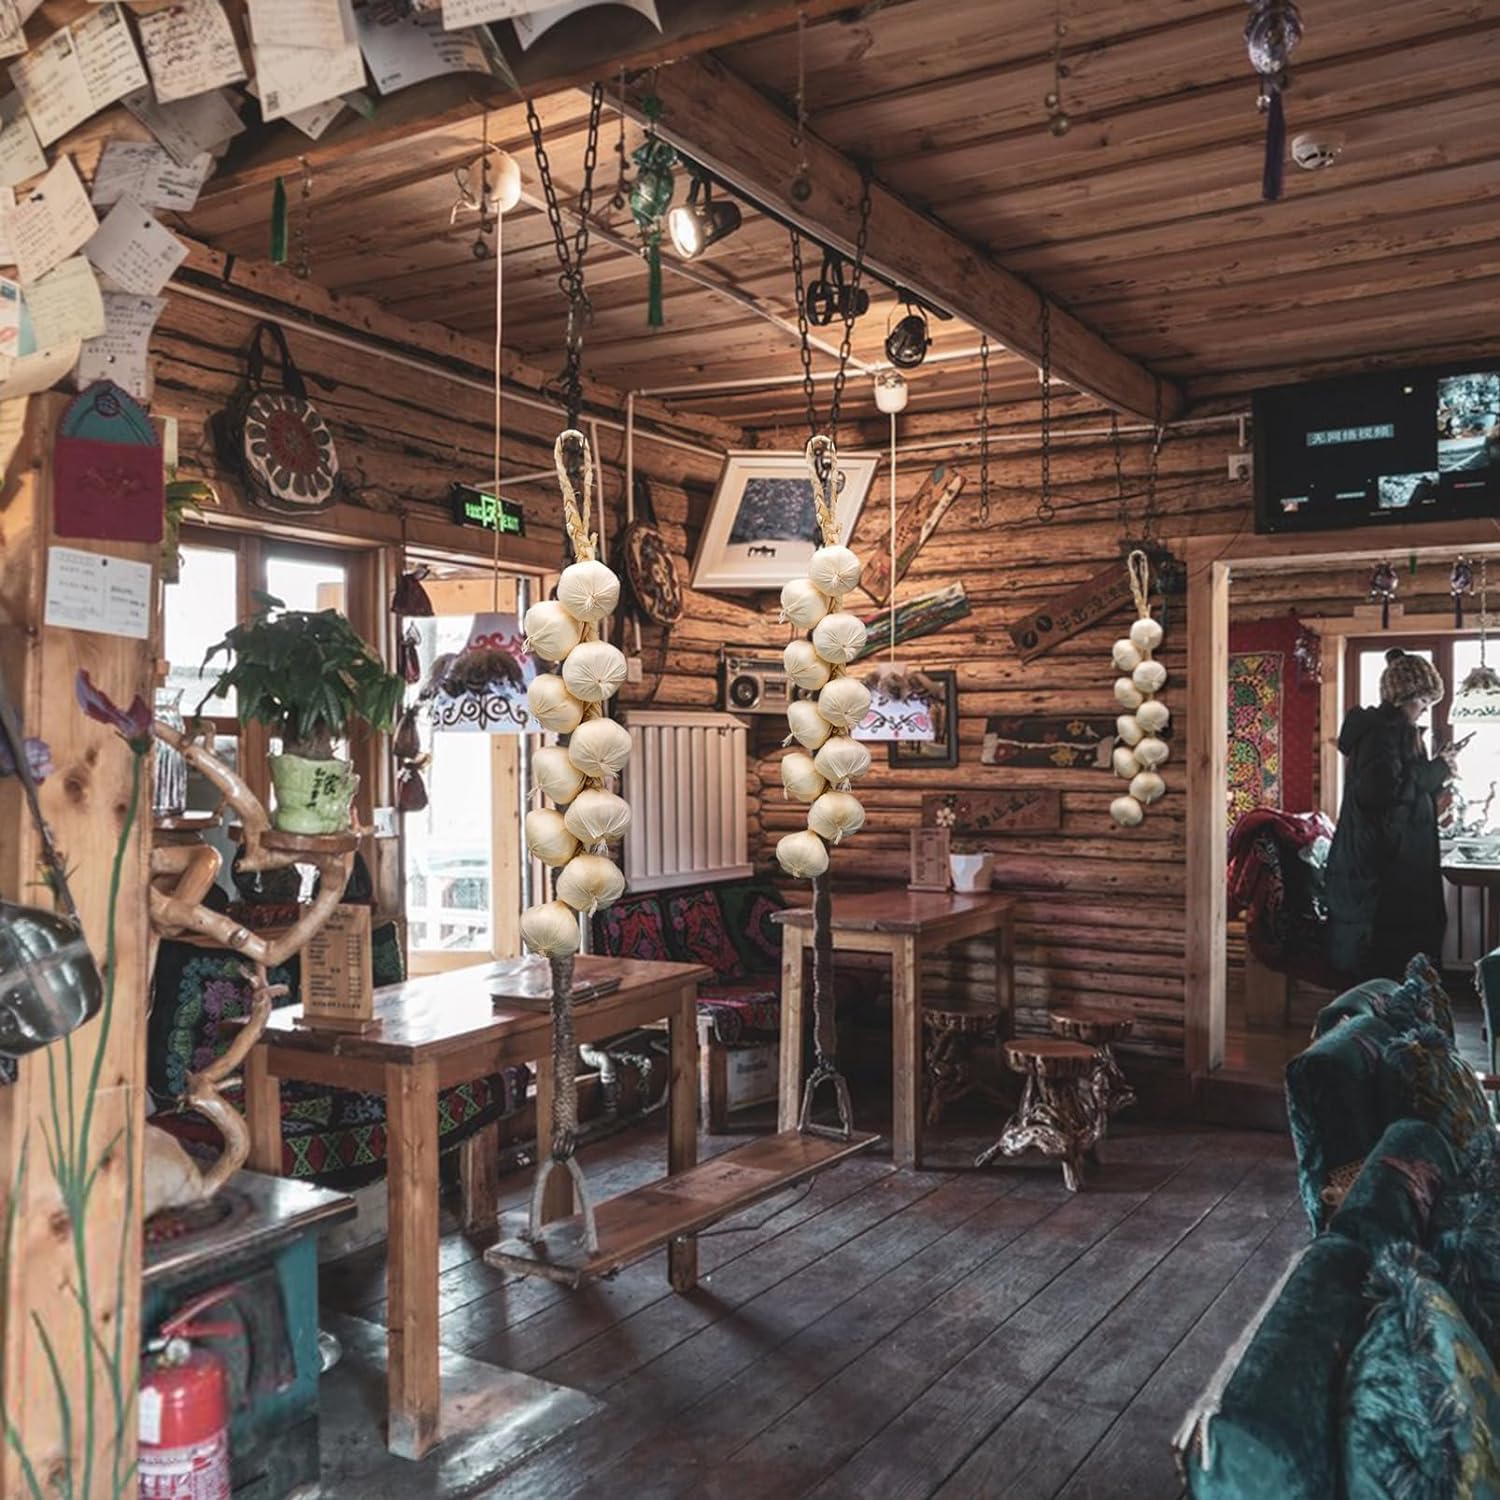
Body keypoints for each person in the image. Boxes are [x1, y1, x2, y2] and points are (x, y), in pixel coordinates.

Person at [1325, 649, 1456, 981]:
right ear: (1404, 695)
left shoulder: (1394, 732)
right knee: (1385, 971)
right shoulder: (1380, 734)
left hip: (1390, 870)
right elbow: (1381, 797)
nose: (1426, 707)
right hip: (1381, 876)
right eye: (1424, 699)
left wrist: (1435, 782)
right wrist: (1437, 770)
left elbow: (1401, 790)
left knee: (1399, 968)